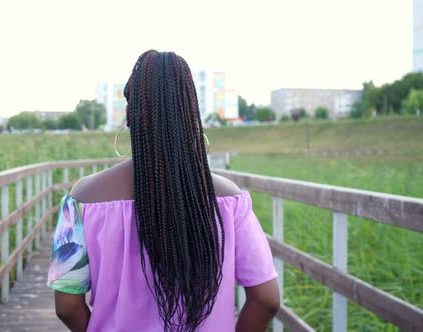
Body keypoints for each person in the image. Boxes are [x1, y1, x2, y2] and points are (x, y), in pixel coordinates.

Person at [47, 50, 280, 332]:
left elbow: (67, 306)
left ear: (129, 115)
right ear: (191, 114)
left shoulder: (81, 200)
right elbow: (266, 299)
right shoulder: (230, 201)